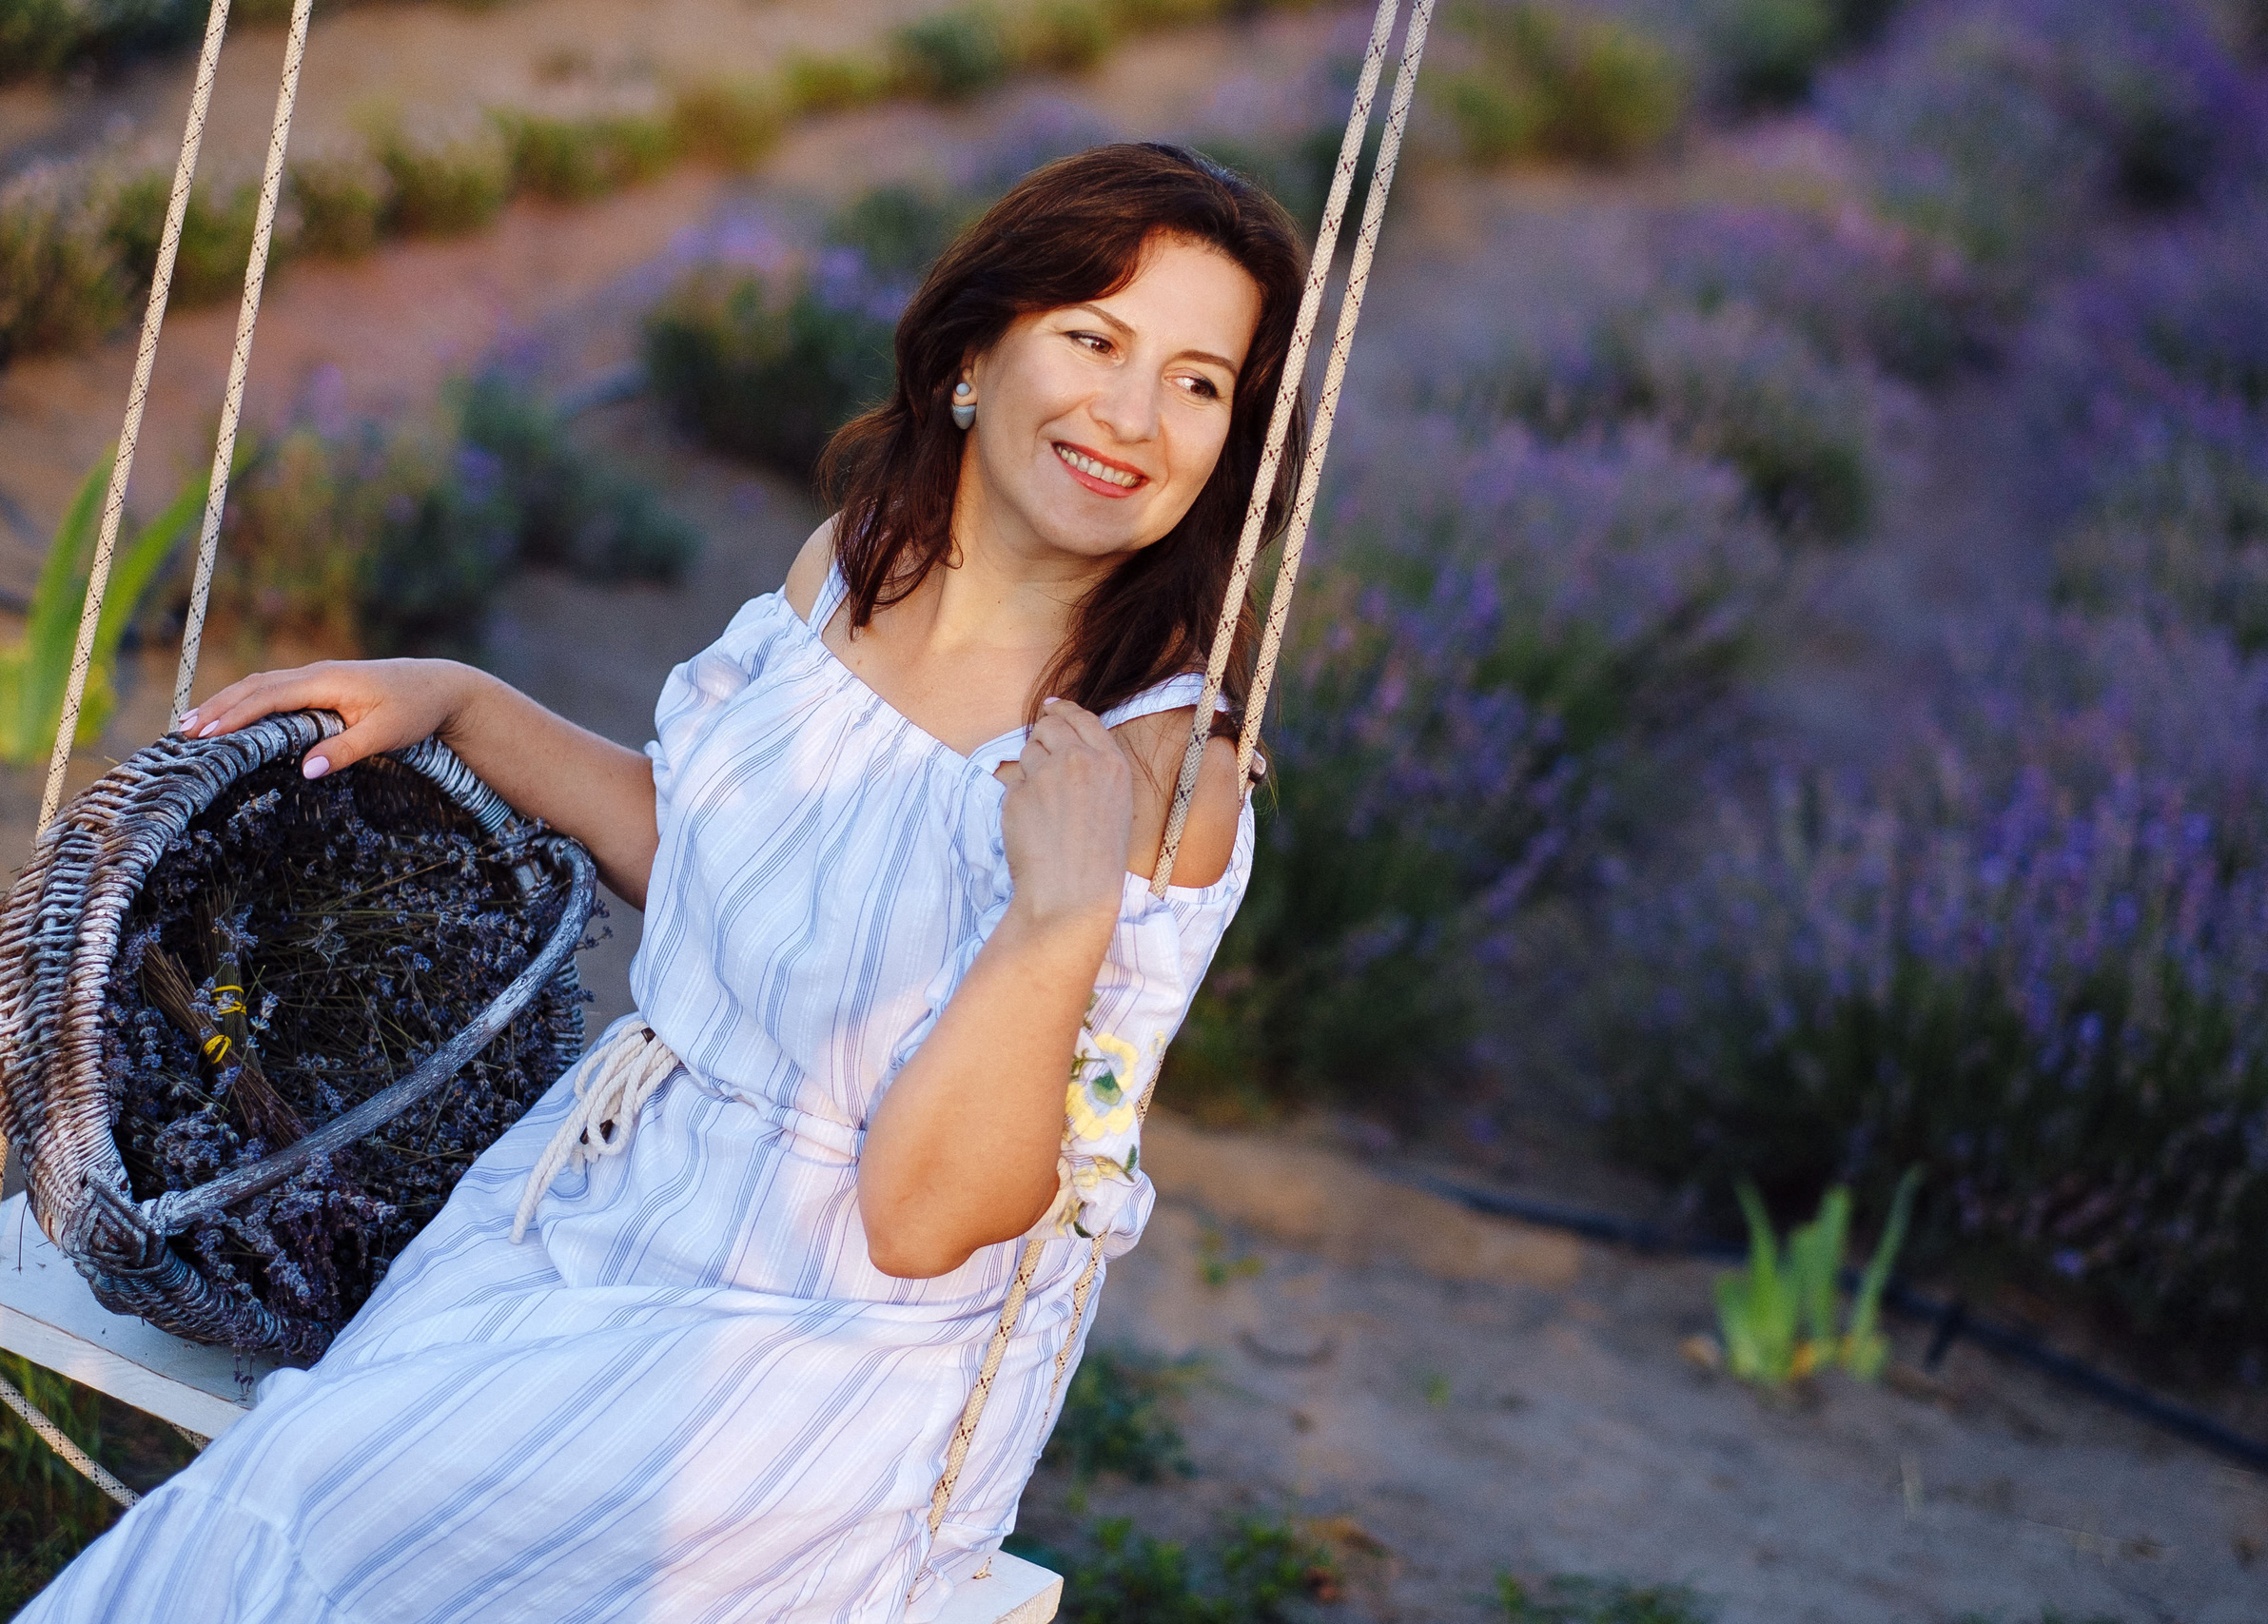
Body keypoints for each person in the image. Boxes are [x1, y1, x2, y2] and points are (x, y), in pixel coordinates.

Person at [22, 141, 1307, 1623]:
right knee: (274, 1513)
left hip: (823, 1338)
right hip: (610, 1190)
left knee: (347, 1521)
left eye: (1202, 381)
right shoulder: (852, 570)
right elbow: (726, 891)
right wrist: (461, 699)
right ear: (973, 356)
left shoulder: (1155, 776)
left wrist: (1059, 918)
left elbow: (925, 1219)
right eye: (1094, 338)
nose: (1134, 416)